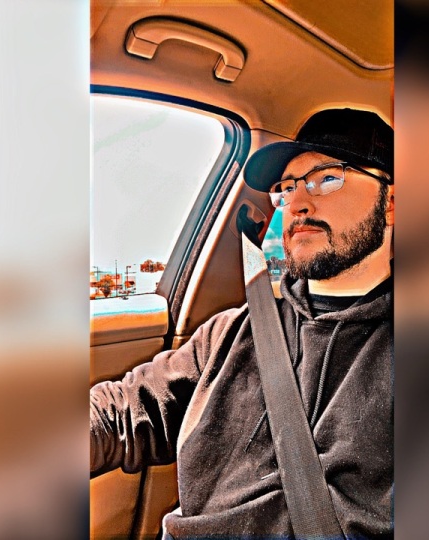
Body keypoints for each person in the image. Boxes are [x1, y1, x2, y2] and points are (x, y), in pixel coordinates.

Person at [91, 108, 394, 539]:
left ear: (392, 203)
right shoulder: (234, 331)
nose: (297, 204)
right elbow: (126, 411)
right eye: (286, 189)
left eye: (327, 178)